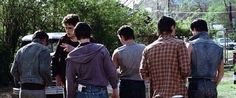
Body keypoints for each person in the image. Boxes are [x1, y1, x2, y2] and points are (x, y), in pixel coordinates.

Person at [139, 16, 190, 98]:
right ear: (172, 27)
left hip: (157, 94)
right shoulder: (179, 44)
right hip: (177, 93)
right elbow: (185, 70)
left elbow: (143, 72)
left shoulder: (148, 48)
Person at [66, 22, 119, 98]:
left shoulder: (72, 55)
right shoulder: (101, 49)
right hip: (100, 92)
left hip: (82, 92)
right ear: (90, 34)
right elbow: (112, 72)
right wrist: (115, 88)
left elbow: (70, 81)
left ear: (76, 35)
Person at [187, 19, 224, 98]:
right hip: (211, 85)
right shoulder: (218, 47)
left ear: (194, 29)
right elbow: (221, 73)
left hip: (195, 85)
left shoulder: (191, 45)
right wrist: (214, 85)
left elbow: (185, 68)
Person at [10, 30, 51, 98]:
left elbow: (13, 70)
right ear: (44, 39)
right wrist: (48, 82)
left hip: (23, 89)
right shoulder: (44, 50)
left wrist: (21, 80)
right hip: (38, 89)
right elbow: (44, 69)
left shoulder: (20, 51)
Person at [112, 25, 146, 98]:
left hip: (125, 85)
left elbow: (113, 72)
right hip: (140, 84)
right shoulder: (144, 48)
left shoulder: (118, 52)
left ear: (122, 37)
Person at [52, 14, 80, 87]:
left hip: (83, 80)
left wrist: (73, 50)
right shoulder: (63, 40)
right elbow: (55, 59)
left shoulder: (85, 39)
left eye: (70, 28)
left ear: (76, 28)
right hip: (66, 80)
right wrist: (57, 76)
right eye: (66, 28)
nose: (67, 30)